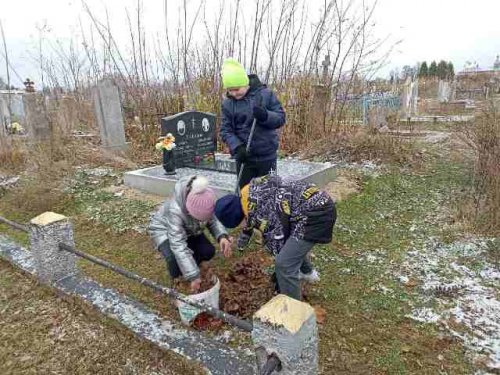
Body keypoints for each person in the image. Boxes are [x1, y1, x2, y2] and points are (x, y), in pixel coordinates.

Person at [214, 175, 336, 301]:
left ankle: (294, 310)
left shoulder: (260, 213)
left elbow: (278, 242)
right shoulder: (252, 193)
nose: (242, 227)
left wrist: (280, 279)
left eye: (239, 225)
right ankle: (307, 272)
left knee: (284, 264)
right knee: (291, 246)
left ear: (237, 218)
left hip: (315, 215)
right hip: (316, 202)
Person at [219, 58, 286, 248]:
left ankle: (270, 230)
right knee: (245, 195)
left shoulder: (264, 95)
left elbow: (280, 118)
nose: (234, 93)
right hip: (245, 158)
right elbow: (225, 130)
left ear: (246, 83)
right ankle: (248, 228)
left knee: (268, 194)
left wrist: (265, 116)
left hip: (266, 155)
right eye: (230, 90)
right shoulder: (228, 104)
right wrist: (236, 147)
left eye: (237, 89)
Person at [149, 176, 232, 292]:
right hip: (164, 230)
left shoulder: (206, 197)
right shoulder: (175, 211)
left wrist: (222, 236)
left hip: (190, 228)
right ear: (189, 211)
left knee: (208, 251)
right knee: (174, 259)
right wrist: (193, 275)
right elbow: (178, 245)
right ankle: (178, 282)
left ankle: (193, 267)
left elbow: (213, 220)